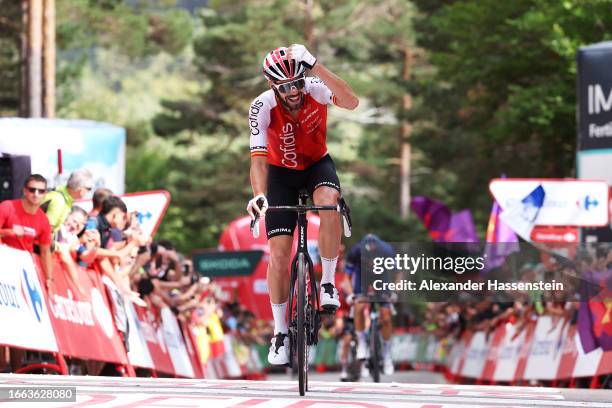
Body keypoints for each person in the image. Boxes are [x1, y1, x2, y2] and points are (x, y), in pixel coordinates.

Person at [246, 43, 359, 365]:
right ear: (272, 85)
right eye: (286, 86)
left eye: (297, 82)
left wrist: (316, 65)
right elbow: (257, 160)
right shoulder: (261, 106)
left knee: (329, 203)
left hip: (316, 165)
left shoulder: (315, 88)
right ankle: (280, 331)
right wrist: (258, 194)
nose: (294, 91)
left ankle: (326, 283)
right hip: (281, 174)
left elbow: (351, 101)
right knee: (279, 255)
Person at [343, 234, 396, 376]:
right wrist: (350, 295)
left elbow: (398, 273)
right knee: (359, 306)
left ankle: (386, 354)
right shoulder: (356, 252)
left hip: (382, 278)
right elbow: (346, 278)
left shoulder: (387, 251)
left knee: (386, 314)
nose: (372, 261)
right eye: (369, 258)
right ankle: (361, 343)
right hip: (362, 279)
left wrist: (395, 291)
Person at [0, 174, 54, 291]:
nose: (36, 194)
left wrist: (49, 278)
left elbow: (45, 251)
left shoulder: (44, 220)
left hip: (23, 267)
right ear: (25, 191)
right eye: (32, 190)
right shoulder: (7, 206)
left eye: (40, 191)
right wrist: (9, 232)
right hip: (3, 262)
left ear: (44, 194)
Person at [42, 169, 94, 235]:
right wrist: (58, 245)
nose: (88, 192)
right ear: (80, 188)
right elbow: (46, 231)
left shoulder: (63, 195)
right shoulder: (59, 200)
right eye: (88, 188)